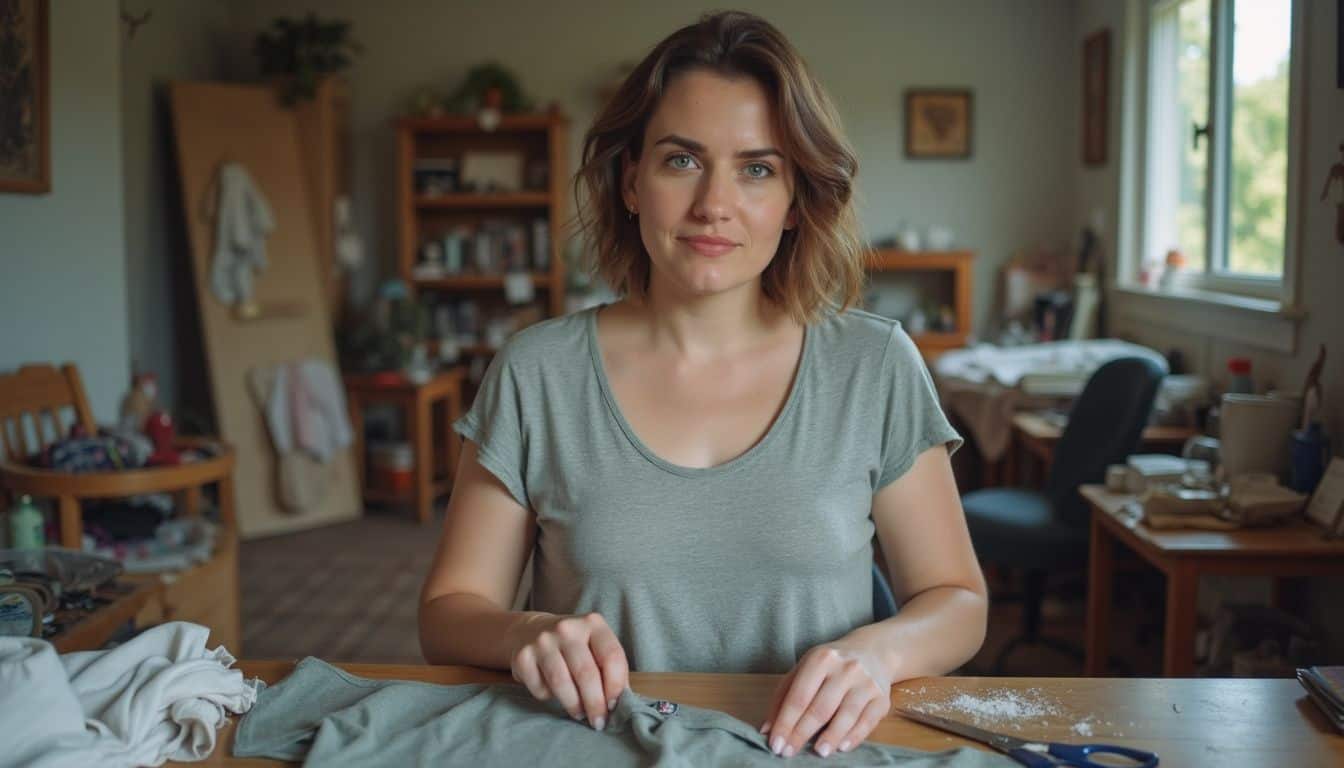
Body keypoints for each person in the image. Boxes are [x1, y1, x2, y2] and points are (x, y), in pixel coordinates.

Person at [419, 10, 988, 759]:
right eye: (681, 160)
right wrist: (523, 631)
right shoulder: (536, 372)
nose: (713, 203)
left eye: (758, 168)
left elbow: (957, 600)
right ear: (631, 182)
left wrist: (880, 653)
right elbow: (448, 612)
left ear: (795, 200)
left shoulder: (875, 365)